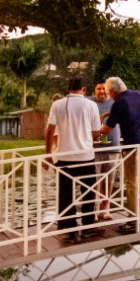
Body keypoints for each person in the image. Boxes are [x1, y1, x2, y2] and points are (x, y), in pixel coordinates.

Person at [45, 77, 104, 243]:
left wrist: (48, 154)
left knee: (65, 194)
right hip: (86, 156)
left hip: (64, 156)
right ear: (84, 89)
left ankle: (68, 226)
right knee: (88, 192)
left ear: (68, 89)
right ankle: (87, 225)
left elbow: (50, 131)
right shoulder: (91, 105)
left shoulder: (57, 105)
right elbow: (96, 131)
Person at [99, 76, 140, 233]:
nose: (108, 95)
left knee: (132, 183)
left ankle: (133, 220)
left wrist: (94, 133)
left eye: (107, 92)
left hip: (133, 147)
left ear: (112, 91)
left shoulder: (118, 103)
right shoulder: (137, 95)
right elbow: (130, 109)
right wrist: (109, 114)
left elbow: (108, 129)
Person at [90, 81, 121, 220]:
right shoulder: (89, 103)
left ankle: (106, 209)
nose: (101, 92)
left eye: (103, 89)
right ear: (94, 90)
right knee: (95, 180)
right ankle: (94, 210)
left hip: (113, 147)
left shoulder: (115, 103)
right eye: (98, 89)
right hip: (95, 148)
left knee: (109, 180)